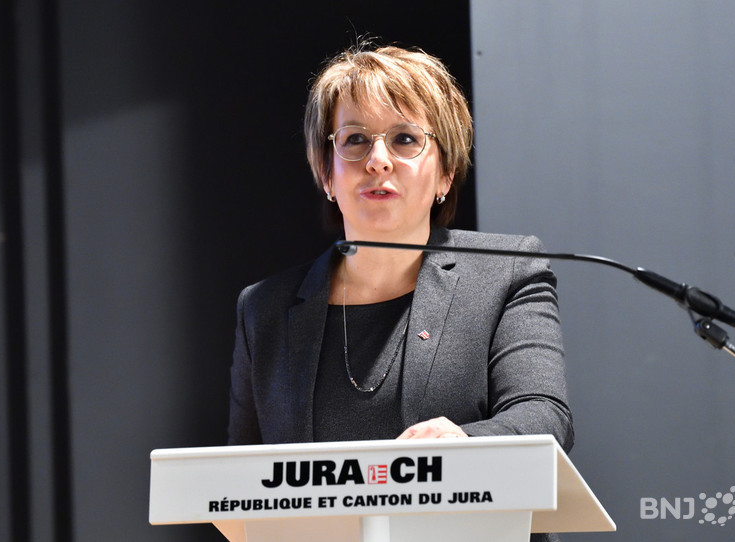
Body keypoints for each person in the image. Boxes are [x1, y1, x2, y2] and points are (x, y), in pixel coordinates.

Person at [228, 44, 573, 532]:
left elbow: (544, 416)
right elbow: (237, 484)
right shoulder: (263, 309)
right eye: (355, 140)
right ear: (327, 172)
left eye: (406, 139)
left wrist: (466, 444)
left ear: (446, 174)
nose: (378, 160)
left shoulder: (506, 273)